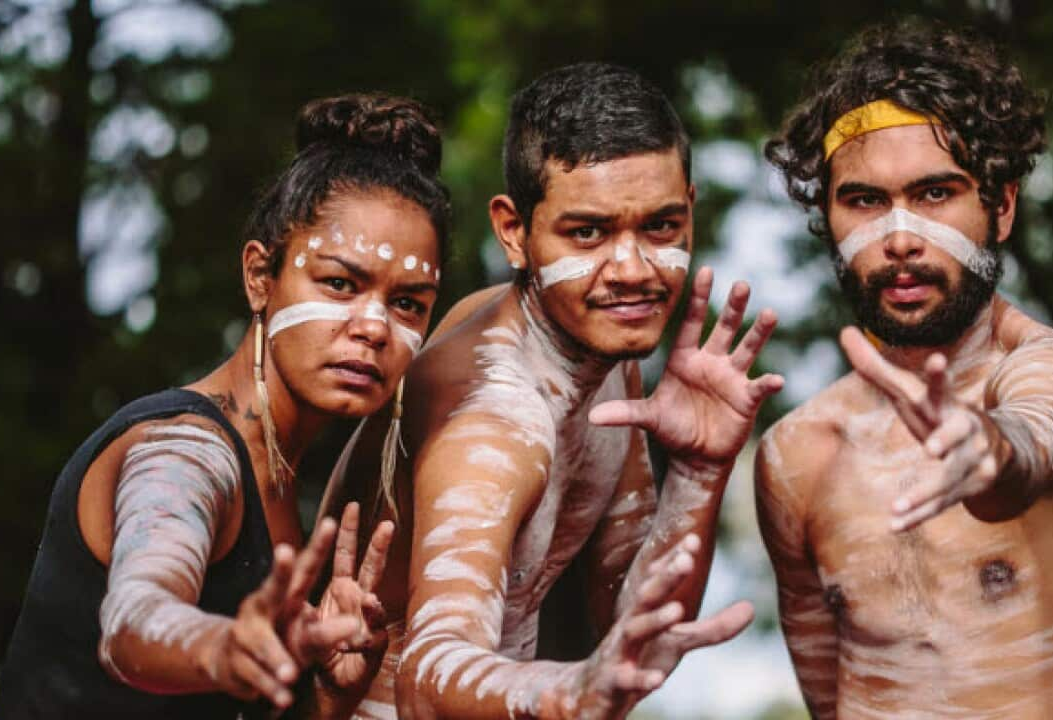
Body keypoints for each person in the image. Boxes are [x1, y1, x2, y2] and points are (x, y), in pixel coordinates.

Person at [322, 62, 783, 719]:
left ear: (690, 206)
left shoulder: (595, 347)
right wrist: (565, 691)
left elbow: (631, 620)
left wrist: (699, 471)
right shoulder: (492, 422)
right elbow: (425, 677)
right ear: (514, 232)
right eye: (588, 233)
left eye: (660, 227)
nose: (631, 270)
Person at [0, 93, 450, 719]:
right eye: (340, 284)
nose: (373, 326)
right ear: (261, 276)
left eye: (408, 303)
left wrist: (330, 694)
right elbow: (135, 617)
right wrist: (223, 644)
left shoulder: (292, 485)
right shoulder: (184, 451)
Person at [757, 19, 1053, 719]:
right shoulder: (798, 458)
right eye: (865, 201)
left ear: (1000, 209)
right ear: (828, 217)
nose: (901, 238)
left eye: (936, 193)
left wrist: (992, 452)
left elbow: (1032, 433)